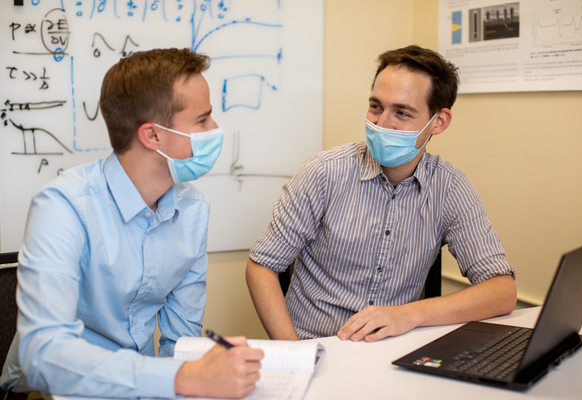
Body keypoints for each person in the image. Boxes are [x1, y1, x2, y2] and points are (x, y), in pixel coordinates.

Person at [0, 48, 263, 398]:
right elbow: (44, 356)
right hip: (54, 390)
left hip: (145, 388)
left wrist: (191, 380)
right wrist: (181, 379)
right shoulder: (63, 206)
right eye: (202, 120)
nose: (215, 129)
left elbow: (179, 339)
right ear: (152, 136)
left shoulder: (193, 209)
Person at [246, 44, 517, 343]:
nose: (381, 123)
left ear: (438, 122)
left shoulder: (450, 188)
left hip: (389, 353)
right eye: (376, 106)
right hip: (315, 345)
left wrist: (411, 314)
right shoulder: (324, 172)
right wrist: (294, 356)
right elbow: (262, 267)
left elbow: (501, 291)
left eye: (401, 112)